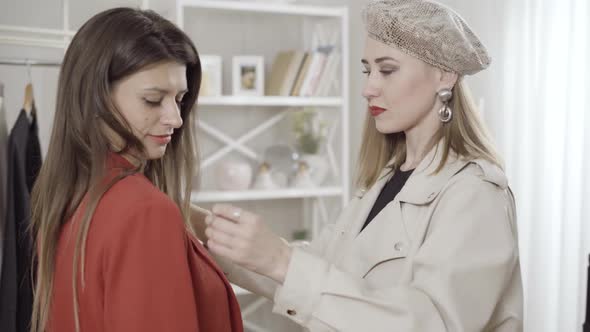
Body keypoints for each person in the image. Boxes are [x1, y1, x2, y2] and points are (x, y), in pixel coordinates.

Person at [196, 0, 523, 330]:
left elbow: (433, 323)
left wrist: (280, 260)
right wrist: (201, 227)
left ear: (445, 75)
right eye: (368, 70)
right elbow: (324, 271)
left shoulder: (477, 194)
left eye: (387, 70)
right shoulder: (384, 181)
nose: (368, 88)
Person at [30, 8, 243, 332]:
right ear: (96, 98)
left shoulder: (62, 196)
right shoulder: (146, 211)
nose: (176, 118)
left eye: (180, 99)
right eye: (153, 100)